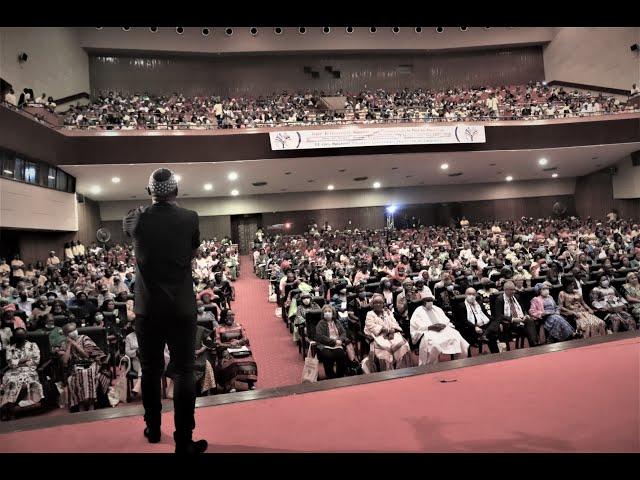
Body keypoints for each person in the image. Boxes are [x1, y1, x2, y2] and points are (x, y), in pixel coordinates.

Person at [123, 167, 207, 453]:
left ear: (149, 192)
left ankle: (154, 429)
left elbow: (135, 239)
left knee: (150, 370)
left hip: (148, 308)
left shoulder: (135, 218)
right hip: (182, 305)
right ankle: (184, 440)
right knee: (184, 371)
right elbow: (193, 253)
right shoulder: (190, 217)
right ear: (177, 192)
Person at [60, 322, 111, 412]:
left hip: (92, 362)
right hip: (76, 366)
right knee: (74, 378)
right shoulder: (64, 343)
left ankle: (91, 404)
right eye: (70, 331)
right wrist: (69, 346)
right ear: (66, 334)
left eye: (74, 329)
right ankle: (81, 404)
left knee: (87, 373)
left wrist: (75, 344)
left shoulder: (84, 338)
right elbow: (64, 362)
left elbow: (86, 355)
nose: (74, 332)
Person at [410, 296, 470, 365]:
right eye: (428, 300)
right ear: (423, 301)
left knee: (459, 338)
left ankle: (459, 363)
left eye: (431, 300)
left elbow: (446, 321)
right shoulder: (418, 311)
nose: (430, 302)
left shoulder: (437, 309)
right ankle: (431, 366)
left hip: (443, 330)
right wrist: (430, 327)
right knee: (434, 345)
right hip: (429, 331)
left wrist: (444, 325)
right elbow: (416, 327)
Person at [0, 328, 44, 420]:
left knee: (22, 383)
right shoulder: (10, 348)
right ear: (15, 337)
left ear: (25, 335)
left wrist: (18, 362)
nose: (20, 337)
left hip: (29, 371)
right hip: (12, 372)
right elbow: (10, 363)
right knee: (11, 382)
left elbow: (35, 361)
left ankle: (9, 408)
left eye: (22, 335)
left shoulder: (33, 346)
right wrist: (24, 360)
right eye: (18, 336)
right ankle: (10, 408)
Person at [364, 294, 414, 371]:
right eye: (376, 303)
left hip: (392, 333)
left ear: (383, 304)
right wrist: (385, 330)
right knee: (384, 350)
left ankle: (401, 368)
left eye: (380, 303)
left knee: (403, 345)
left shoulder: (387, 312)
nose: (378, 304)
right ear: (372, 304)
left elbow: (394, 322)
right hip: (378, 335)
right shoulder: (369, 314)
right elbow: (370, 326)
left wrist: (392, 331)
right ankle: (387, 371)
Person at [213, 309, 257, 392]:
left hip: (239, 347)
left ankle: (250, 383)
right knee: (231, 362)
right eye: (229, 315)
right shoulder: (219, 328)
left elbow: (245, 339)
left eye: (232, 315)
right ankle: (231, 385)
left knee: (249, 359)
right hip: (226, 349)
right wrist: (229, 345)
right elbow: (218, 343)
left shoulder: (239, 325)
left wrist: (238, 341)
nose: (231, 317)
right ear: (224, 317)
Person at [494, 281, 539, 347]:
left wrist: (525, 315)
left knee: (530, 321)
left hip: (521, 319)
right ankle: (534, 345)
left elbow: (522, 309)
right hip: (510, 323)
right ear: (506, 290)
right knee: (528, 328)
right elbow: (499, 315)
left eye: (514, 289)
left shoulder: (517, 297)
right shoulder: (499, 300)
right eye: (511, 290)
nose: (513, 291)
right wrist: (513, 319)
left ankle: (534, 344)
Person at [462, 287, 500, 353]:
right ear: (465, 295)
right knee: (491, 335)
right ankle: (496, 353)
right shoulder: (461, 306)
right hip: (471, 327)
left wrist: (494, 321)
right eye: (469, 294)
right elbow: (463, 320)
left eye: (473, 294)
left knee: (495, 324)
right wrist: (474, 327)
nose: (472, 296)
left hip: (484, 325)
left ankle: (496, 354)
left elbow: (486, 315)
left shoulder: (479, 304)